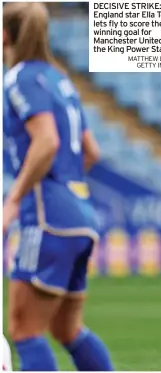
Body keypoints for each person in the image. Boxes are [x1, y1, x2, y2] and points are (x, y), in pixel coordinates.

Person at [2, 3, 114, 371]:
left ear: (5, 35)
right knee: (67, 329)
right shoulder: (59, 79)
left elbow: (46, 141)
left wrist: (14, 199)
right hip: (80, 215)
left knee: (24, 329)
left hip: (48, 218)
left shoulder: (18, 78)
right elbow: (91, 150)